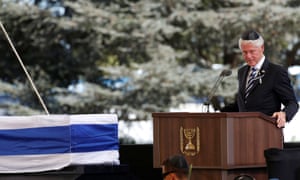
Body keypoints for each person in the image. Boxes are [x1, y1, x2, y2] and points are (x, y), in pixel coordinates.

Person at [221, 30, 299, 128]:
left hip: (267, 133)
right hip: (242, 132)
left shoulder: (276, 72)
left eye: (252, 51)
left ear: (262, 48)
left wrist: (284, 114)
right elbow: (244, 104)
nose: (248, 56)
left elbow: (292, 103)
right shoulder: (242, 71)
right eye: (244, 52)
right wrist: (218, 114)